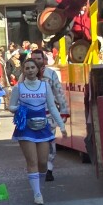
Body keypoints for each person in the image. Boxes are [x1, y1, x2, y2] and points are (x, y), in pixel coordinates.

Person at [8, 57, 67, 204]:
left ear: (38, 70)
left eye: (32, 68)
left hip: (43, 127)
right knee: (32, 161)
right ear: (23, 71)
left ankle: (39, 188)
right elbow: (11, 107)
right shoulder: (18, 88)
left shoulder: (45, 86)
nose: (30, 71)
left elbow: (52, 107)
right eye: (27, 68)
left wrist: (62, 125)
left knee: (42, 162)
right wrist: (20, 109)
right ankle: (37, 194)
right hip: (26, 128)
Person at [29, 47, 69, 181]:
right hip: (31, 117)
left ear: (44, 60)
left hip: (48, 115)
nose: (36, 62)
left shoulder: (51, 74)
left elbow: (59, 93)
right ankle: (38, 168)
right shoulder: (25, 75)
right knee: (33, 143)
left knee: (49, 142)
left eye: (38, 59)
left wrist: (64, 112)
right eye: (33, 59)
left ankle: (49, 168)